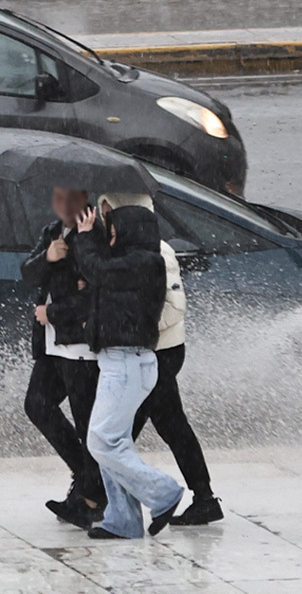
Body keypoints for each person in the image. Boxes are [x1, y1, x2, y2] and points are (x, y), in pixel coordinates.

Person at [98, 193, 223, 526]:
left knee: (118, 431)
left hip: (160, 353)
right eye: (104, 213)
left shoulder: (159, 252)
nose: (106, 220)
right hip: (143, 353)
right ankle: (204, 497)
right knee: (168, 424)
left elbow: (175, 305)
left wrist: (137, 327)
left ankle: (100, 497)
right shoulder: (120, 248)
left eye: (111, 213)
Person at [73, 202, 185, 539]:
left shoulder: (146, 262)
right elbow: (101, 274)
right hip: (120, 362)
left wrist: (83, 239)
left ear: (130, 231)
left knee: (102, 441)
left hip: (128, 363)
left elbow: (99, 270)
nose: (110, 239)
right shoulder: (130, 263)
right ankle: (123, 520)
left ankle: (163, 492)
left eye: (113, 233)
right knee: (113, 442)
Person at [21, 187, 104, 529]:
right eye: (56, 198)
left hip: (82, 347)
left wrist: (53, 312)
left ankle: (92, 498)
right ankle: (86, 480)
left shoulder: (96, 234)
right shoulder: (53, 232)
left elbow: (99, 292)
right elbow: (27, 272)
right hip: (53, 345)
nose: (62, 206)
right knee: (37, 404)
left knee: (89, 427)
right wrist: (49, 257)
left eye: (69, 199)